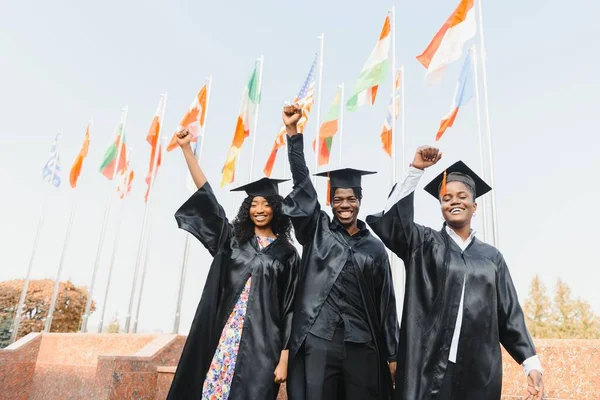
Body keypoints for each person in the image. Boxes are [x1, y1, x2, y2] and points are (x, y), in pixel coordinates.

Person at [366, 146, 544, 400]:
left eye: (462, 196)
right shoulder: (422, 243)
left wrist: (531, 364)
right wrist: (415, 170)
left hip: (478, 370)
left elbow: (509, 314)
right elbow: (390, 223)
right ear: (440, 206)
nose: (454, 201)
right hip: (427, 366)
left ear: (474, 206)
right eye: (446, 198)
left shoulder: (491, 258)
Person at [167, 128, 300, 400]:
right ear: (246, 208)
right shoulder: (232, 242)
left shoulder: (287, 254)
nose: (259, 209)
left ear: (276, 208)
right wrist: (187, 150)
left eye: (266, 204)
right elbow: (208, 199)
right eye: (253, 204)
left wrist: (284, 359)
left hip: (264, 347)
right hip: (224, 340)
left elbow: (290, 310)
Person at [281, 104, 399, 400]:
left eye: (351, 199)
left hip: (362, 343)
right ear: (330, 201)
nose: (345, 205)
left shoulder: (374, 247)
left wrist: (393, 353)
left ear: (360, 199)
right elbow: (303, 185)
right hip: (319, 339)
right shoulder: (317, 230)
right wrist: (293, 134)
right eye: (338, 199)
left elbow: (386, 304)